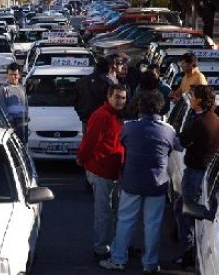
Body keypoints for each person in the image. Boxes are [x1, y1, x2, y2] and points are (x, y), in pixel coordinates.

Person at [99, 90, 178, 273]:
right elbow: (177, 147)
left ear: (139, 107)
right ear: (160, 107)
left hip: (132, 181)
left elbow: (123, 142)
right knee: (153, 225)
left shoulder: (129, 127)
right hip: (157, 183)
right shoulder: (168, 130)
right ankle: (150, 263)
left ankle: (118, 259)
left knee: (125, 221)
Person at [76, 84, 127, 261]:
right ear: (109, 97)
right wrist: (82, 159)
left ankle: (112, 244)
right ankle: (100, 248)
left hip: (113, 172)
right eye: (117, 97)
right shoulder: (101, 116)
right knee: (104, 213)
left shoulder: (115, 116)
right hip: (101, 171)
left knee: (113, 212)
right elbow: (89, 142)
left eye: (123, 98)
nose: (120, 101)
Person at [173, 85, 219, 267]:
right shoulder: (214, 119)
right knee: (180, 207)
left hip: (195, 173)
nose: (191, 99)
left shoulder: (200, 122)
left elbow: (182, 141)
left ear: (200, 100)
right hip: (203, 172)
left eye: (193, 96)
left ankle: (188, 251)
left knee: (188, 211)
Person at [74, 56, 120, 133]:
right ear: (108, 68)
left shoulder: (82, 81)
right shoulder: (109, 83)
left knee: (89, 143)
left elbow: (76, 101)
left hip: (87, 120)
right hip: (103, 122)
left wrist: (82, 115)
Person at [0, 63, 29, 143]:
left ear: (19, 75)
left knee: (23, 145)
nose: (13, 77)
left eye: (15, 74)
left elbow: (26, 104)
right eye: (10, 74)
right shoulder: (3, 89)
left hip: (23, 123)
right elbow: (1, 108)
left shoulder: (22, 88)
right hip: (11, 124)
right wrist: (9, 123)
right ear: (7, 75)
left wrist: (27, 117)